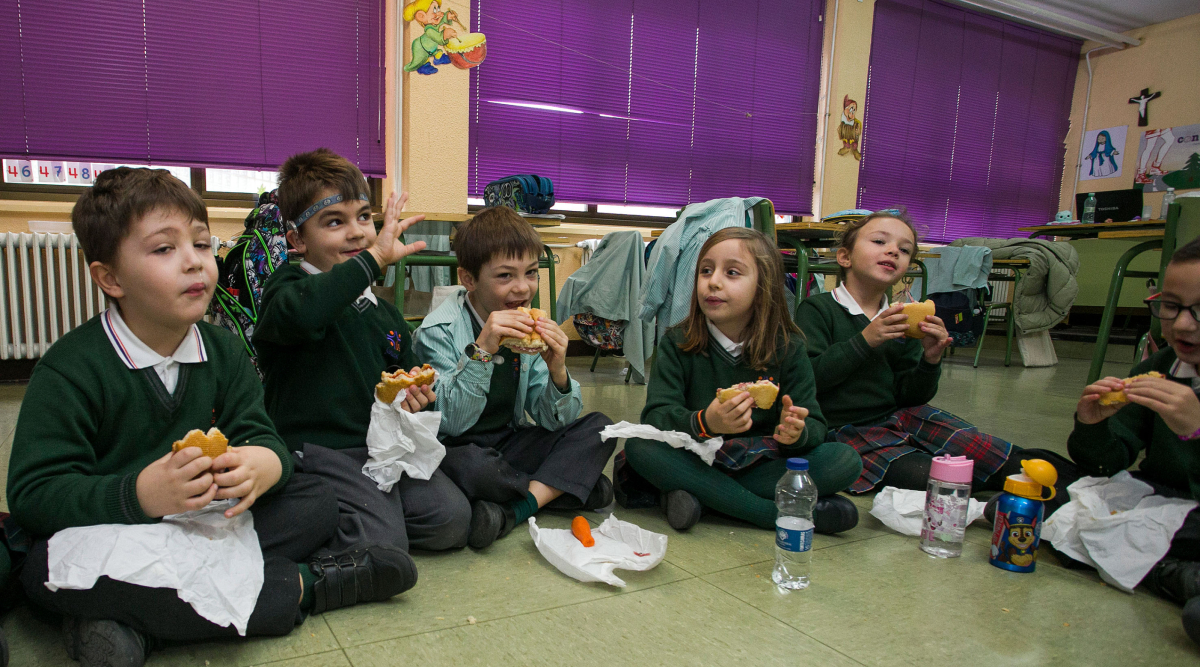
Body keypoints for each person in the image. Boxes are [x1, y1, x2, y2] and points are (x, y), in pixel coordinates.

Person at [8, 168, 411, 667]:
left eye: (201, 244)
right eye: (163, 249)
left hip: (206, 525)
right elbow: (35, 494)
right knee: (41, 566)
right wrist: (138, 495)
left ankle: (129, 621)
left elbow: (263, 436)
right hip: (117, 531)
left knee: (316, 504)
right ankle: (309, 585)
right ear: (110, 277)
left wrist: (261, 465)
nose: (194, 263)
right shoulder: (71, 368)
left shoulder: (222, 350)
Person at [254, 149, 472, 556]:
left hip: (377, 449)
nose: (356, 232)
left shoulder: (385, 314)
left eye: (364, 217)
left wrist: (415, 400)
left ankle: (365, 517)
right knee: (381, 544)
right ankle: (337, 525)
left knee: (451, 520)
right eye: (334, 222)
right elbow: (311, 309)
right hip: (318, 453)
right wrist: (373, 260)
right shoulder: (285, 291)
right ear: (298, 239)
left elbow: (404, 377)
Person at [795, 209, 1076, 500]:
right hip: (844, 429)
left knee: (989, 451)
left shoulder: (904, 319)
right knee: (935, 476)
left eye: (904, 250)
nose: (893, 251)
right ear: (845, 257)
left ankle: (1081, 483)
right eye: (879, 241)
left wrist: (930, 359)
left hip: (902, 415)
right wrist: (865, 340)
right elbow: (809, 381)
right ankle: (1006, 492)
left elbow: (912, 396)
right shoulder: (818, 310)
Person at [620, 228, 863, 533]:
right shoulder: (676, 343)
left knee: (845, 459)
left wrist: (796, 432)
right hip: (696, 453)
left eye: (732, 272)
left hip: (760, 457)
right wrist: (705, 422)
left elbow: (814, 424)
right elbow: (655, 416)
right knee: (639, 447)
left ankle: (702, 497)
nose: (713, 281)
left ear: (764, 287)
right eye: (706, 270)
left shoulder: (788, 348)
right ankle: (771, 515)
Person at [415, 205, 616, 549]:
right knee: (476, 468)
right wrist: (482, 351)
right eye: (505, 276)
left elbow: (552, 420)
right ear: (468, 279)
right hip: (459, 448)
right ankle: (562, 488)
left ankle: (516, 509)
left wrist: (558, 371)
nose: (523, 288)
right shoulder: (437, 331)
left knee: (601, 428)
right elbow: (452, 422)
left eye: (532, 273)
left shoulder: (526, 328)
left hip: (509, 443)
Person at [1069, 236, 1200, 645]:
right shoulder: (1163, 367)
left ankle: (1155, 565)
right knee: (1054, 485)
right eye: (1172, 306)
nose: (1181, 324)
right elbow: (1107, 465)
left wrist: (1195, 431)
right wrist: (1093, 424)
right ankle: (1170, 571)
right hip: (1161, 501)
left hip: (1188, 517)